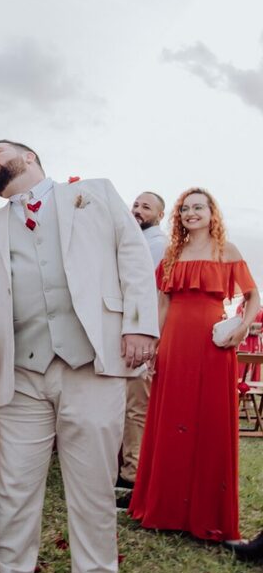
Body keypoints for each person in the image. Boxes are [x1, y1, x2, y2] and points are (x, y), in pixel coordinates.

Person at [0, 141, 159, 573]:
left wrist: (141, 325)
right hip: (22, 371)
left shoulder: (95, 195)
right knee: (12, 487)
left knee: (93, 488)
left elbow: (133, 257)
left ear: (30, 157)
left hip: (92, 362)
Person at [129, 188, 260, 543]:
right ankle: (165, 510)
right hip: (175, 344)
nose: (191, 213)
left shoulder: (226, 251)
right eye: (185, 209)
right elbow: (163, 304)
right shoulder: (172, 254)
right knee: (172, 421)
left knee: (210, 422)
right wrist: (153, 343)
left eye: (198, 207)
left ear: (211, 213)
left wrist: (243, 327)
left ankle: (206, 514)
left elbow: (252, 297)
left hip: (213, 346)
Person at [117, 191, 167, 493]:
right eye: (135, 204)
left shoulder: (158, 245)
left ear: (159, 215)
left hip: (141, 333)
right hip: (122, 330)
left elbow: (154, 293)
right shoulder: (130, 239)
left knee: (137, 406)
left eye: (146, 207)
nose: (137, 210)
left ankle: (131, 475)